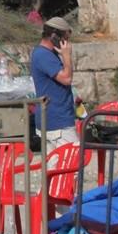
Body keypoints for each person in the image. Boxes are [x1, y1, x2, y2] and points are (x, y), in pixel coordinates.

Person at [30, 16, 78, 146]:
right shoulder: (43, 55)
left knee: (54, 166)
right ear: (54, 37)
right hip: (58, 123)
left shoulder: (47, 54)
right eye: (65, 39)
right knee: (73, 163)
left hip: (52, 121)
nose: (67, 44)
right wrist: (67, 55)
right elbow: (66, 78)